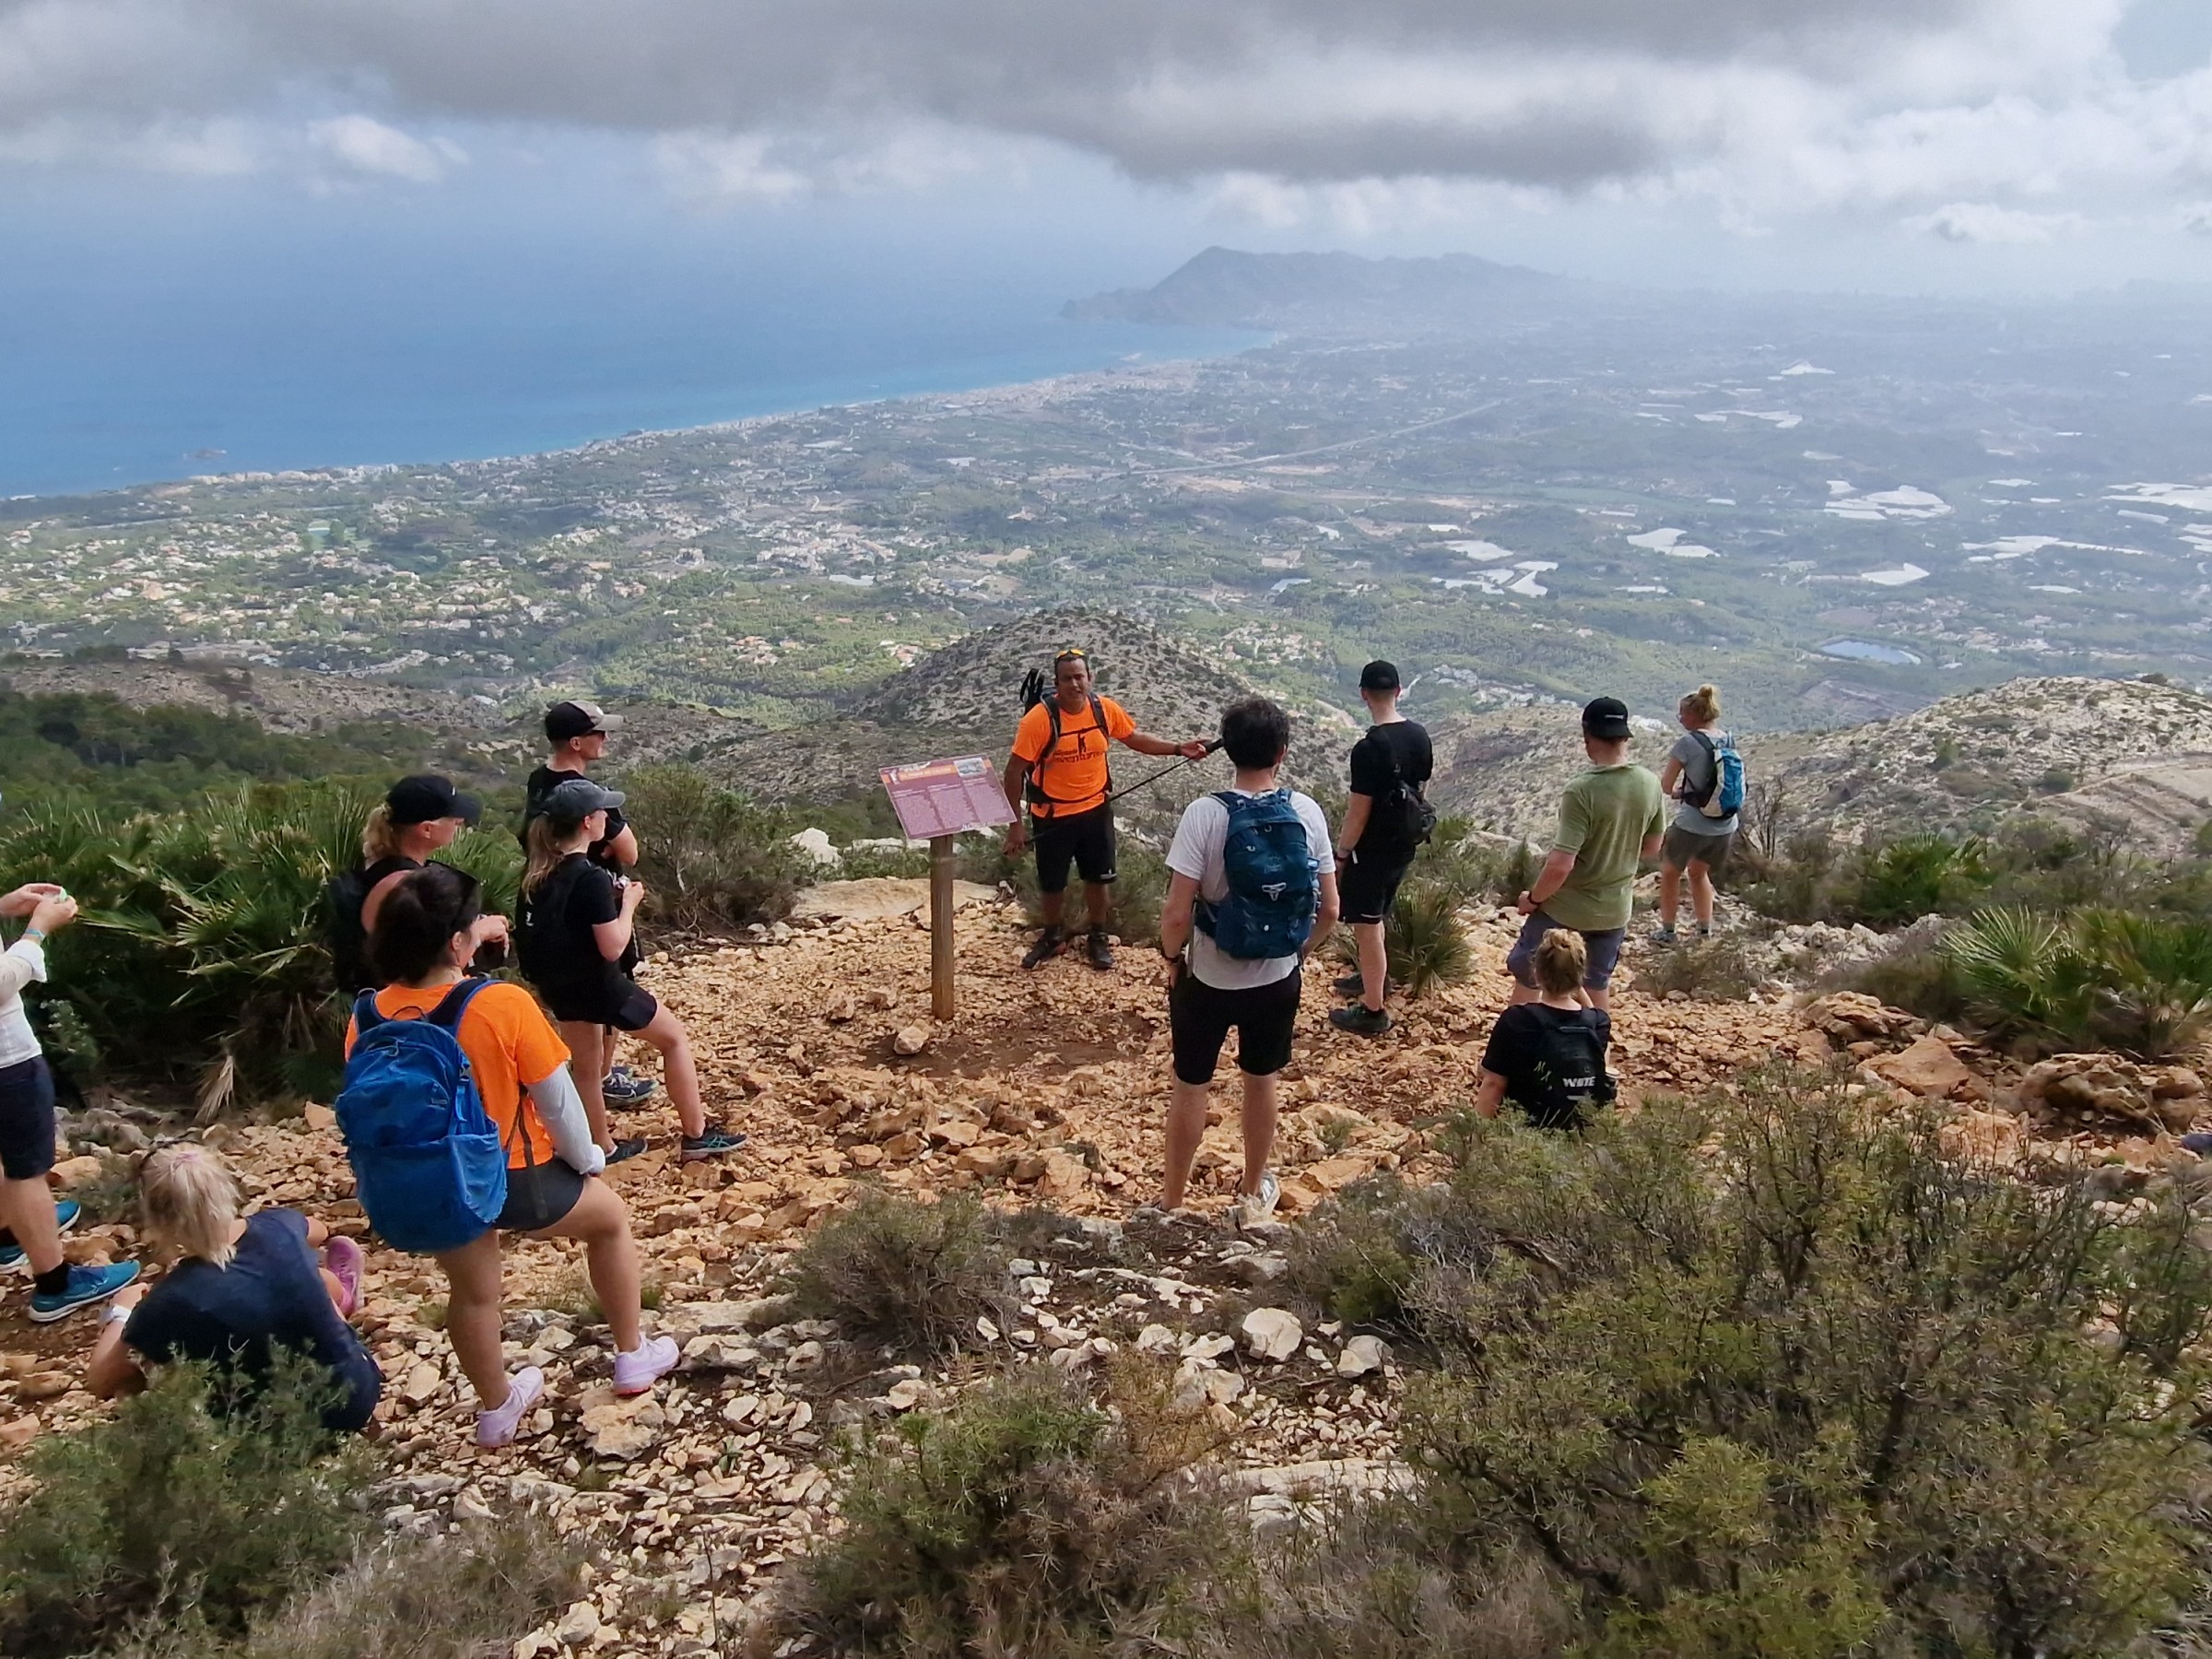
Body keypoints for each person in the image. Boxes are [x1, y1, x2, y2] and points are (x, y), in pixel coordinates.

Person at [352, 863, 680, 1447]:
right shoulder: (499, 1003)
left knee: (473, 1292)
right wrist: (589, 1162)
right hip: (514, 1174)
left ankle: (498, 1408)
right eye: (473, 922)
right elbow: (558, 1101)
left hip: (434, 1177)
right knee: (609, 1223)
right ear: (456, 941)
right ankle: (632, 1355)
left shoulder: (368, 1013)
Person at [1156, 697, 1338, 1223]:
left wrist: (1173, 958)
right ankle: (1252, 1187)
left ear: (1226, 751)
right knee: (1261, 1081)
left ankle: (1172, 1200)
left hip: (1208, 977)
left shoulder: (1205, 814)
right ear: (1281, 752)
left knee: (1192, 1084)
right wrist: (1297, 954)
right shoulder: (1306, 812)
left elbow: (1175, 912)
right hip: (1278, 977)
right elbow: (1330, 909)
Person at [517, 779, 743, 1166]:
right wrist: (629, 905)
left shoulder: (537, 874)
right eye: (603, 812)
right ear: (588, 822)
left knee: (586, 1069)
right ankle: (697, 1134)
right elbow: (613, 946)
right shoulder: (589, 877)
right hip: (602, 987)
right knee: (673, 1040)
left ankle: (600, 1147)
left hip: (561, 990)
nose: (609, 817)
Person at [85, 1144, 382, 1433]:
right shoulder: (279, 1225)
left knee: (149, 1365)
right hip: (359, 1394)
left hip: (284, 1436)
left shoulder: (170, 1300)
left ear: (156, 1218)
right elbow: (319, 1230)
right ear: (225, 1190)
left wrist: (122, 1312)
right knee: (306, 1276)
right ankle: (339, 1296)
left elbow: (99, 1381)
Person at [1002, 648, 1210, 971]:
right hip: (1052, 816)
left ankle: (1098, 936)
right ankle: (1053, 935)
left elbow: (1134, 737)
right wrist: (1015, 825)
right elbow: (1014, 771)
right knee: (1052, 883)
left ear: (1090, 678)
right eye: (1067, 679)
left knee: (1099, 879)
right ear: (1057, 683)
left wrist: (1177, 749)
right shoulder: (1039, 720)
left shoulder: (1103, 709)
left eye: (1080, 677)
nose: (1075, 684)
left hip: (1096, 810)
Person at [0, 882, 141, 1322]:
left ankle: (9, 1234)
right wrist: (38, 930)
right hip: (5, 1059)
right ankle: (55, 1283)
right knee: (27, 1169)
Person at [523, 700, 654, 1108]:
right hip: (598, 896)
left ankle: (591, 1078)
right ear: (577, 742)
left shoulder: (539, 783)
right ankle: (602, 1078)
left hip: (552, 896)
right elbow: (629, 852)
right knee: (610, 982)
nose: (605, 740)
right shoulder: (589, 799)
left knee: (577, 1000)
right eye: (598, 733)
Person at [1507, 697, 1665, 1012]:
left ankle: (1515, 1049)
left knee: (1529, 973)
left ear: (1587, 736)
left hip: (1566, 910)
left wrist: (1534, 899)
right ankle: (1595, 1055)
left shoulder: (1581, 790)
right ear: (1624, 735)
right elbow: (1651, 848)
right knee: (1595, 985)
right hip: (1615, 909)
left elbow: (1561, 864)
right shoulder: (1650, 784)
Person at [329, 775, 508, 994]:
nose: (459, 821)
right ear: (426, 830)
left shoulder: (378, 868)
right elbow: (429, 969)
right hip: (404, 1013)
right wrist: (478, 933)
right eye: (452, 817)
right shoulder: (405, 887)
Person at [1330, 660, 1433, 1038]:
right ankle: (1374, 975)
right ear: (1399, 691)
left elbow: (1358, 812)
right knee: (1379, 913)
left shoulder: (1368, 748)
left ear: (1363, 695)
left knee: (1367, 924)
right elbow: (1420, 791)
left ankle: (1373, 1009)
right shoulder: (1420, 736)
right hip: (1404, 843)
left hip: (1370, 850)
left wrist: (1341, 854)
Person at [1476, 930, 1616, 1130]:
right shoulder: (1598, 1023)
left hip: (1525, 1133)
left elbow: (1493, 1085)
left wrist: (1475, 1139)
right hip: (1576, 1135)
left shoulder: (1518, 1020)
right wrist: (1576, 985)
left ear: (1537, 973)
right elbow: (1591, 1013)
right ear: (1580, 976)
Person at [1652, 684, 1738, 946]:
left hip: (1693, 824)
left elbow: (1666, 786)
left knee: (1669, 872)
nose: (1680, 719)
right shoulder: (1727, 738)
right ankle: (1704, 931)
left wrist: (1681, 794)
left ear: (1695, 716)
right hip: (1725, 824)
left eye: (1682, 714)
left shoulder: (1687, 743)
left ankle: (1668, 931)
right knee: (1699, 874)